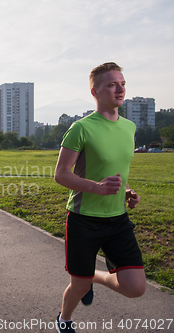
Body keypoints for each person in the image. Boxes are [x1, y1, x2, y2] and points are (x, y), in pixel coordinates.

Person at [54, 62, 145, 333]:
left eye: (123, 83)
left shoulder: (128, 127)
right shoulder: (81, 128)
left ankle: (94, 276)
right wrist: (96, 187)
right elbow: (61, 174)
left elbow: (117, 170)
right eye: (112, 84)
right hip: (83, 220)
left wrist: (126, 190)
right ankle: (64, 319)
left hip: (117, 219)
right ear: (95, 92)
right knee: (78, 285)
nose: (120, 89)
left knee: (135, 287)